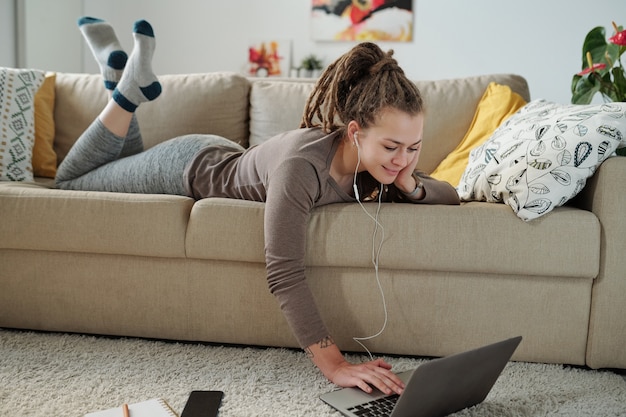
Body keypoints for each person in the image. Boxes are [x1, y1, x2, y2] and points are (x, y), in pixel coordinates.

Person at [58, 17, 460, 396]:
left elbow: (451, 197)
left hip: (217, 153)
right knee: (70, 181)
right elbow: (283, 271)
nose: (402, 158)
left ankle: (121, 81)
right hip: (184, 167)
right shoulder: (302, 168)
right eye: (391, 147)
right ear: (354, 132)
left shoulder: (380, 162)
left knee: (115, 164)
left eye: (413, 147)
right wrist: (335, 365)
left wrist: (410, 182)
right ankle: (126, 95)